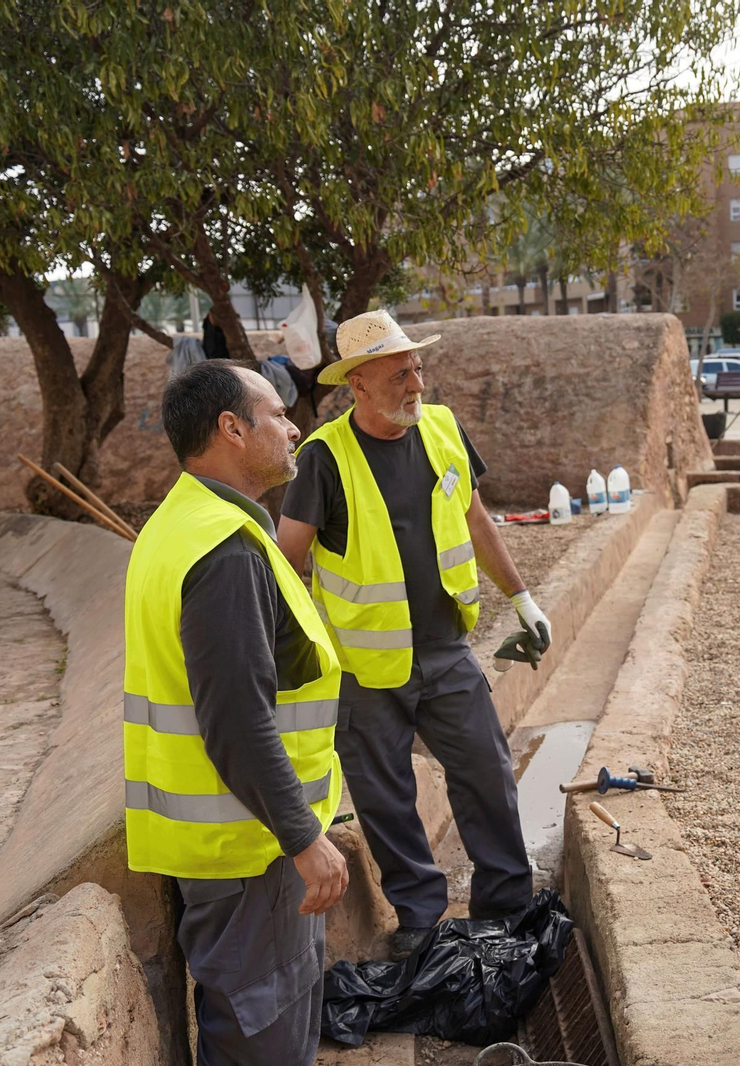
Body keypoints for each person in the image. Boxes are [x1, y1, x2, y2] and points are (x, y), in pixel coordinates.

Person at [277, 310, 548, 958]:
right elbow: (287, 562)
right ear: (359, 384)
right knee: (387, 800)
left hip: (445, 649)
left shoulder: (443, 429)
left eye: (417, 368)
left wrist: (522, 597)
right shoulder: (323, 457)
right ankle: (421, 921)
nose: (416, 384)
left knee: (487, 771)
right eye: (399, 374)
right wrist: (297, 656)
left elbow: (476, 520)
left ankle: (507, 907)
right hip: (364, 668)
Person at [123, 361, 349, 1066]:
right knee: (265, 1043)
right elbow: (237, 719)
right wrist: (302, 836)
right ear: (231, 428)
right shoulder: (225, 551)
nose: (294, 428)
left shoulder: (181, 524)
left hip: (232, 849)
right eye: (278, 413)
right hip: (255, 853)